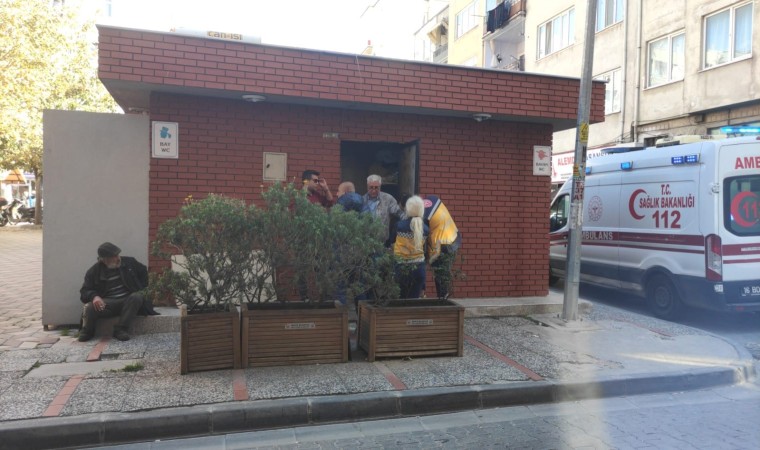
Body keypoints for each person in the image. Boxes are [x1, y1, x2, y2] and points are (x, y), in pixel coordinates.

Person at [78, 242, 157, 342]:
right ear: (105, 260)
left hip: (128, 301)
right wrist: (94, 296)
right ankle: (87, 332)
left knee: (137, 296)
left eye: (117, 254)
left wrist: (142, 289)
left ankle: (121, 330)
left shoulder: (129, 262)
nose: (118, 258)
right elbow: (84, 291)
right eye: (114, 256)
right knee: (90, 307)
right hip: (107, 304)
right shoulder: (94, 271)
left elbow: (143, 271)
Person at [422, 195, 461, 299]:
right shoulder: (432, 200)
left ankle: (442, 298)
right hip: (453, 237)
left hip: (441, 244)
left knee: (439, 272)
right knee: (443, 273)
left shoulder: (422, 215)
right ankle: (444, 297)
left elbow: (422, 235)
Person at [393, 196, 429, 299]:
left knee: (400, 301)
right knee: (414, 301)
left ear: (407, 209)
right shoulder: (426, 229)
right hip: (419, 268)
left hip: (401, 268)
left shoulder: (399, 226)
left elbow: (391, 241)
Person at [362, 174, 405, 247]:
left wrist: (408, 224)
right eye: (371, 187)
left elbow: (400, 213)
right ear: (367, 186)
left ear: (380, 186)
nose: (373, 190)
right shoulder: (362, 200)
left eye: (376, 188)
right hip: (365, 242)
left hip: (382, 242)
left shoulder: (388, 199)